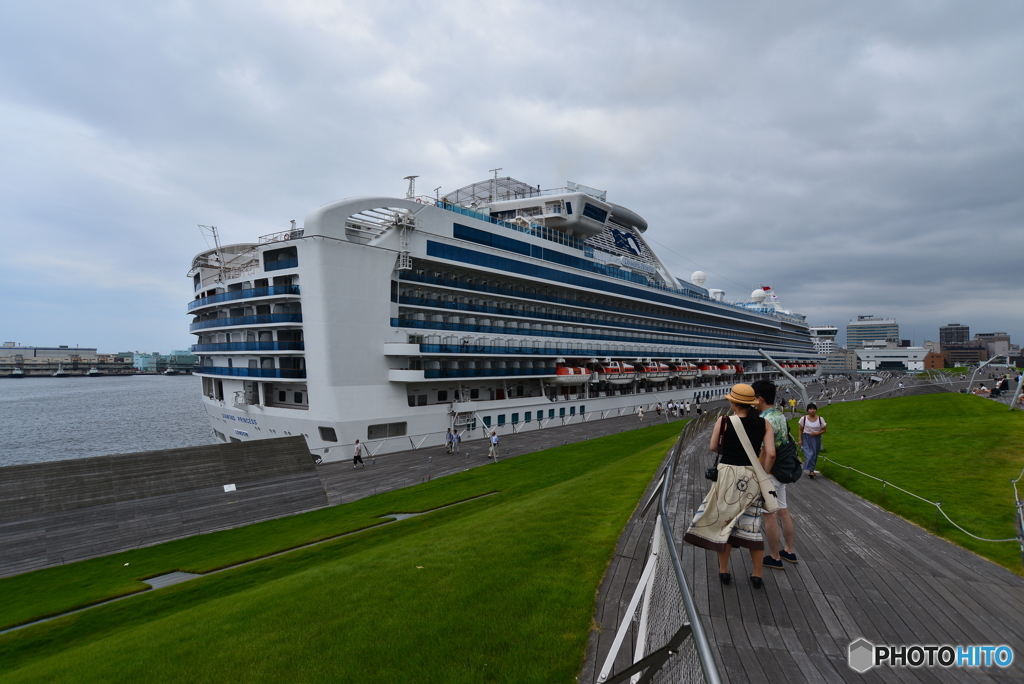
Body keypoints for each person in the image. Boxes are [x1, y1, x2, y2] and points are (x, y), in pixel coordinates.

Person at [684, 383, 776, 589]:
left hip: (726, 475)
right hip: (751, 477)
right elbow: (770, 454)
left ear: (734, 402)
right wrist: (763, 473)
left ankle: (724, 570)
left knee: (724, 522)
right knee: (752, 526)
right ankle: (757, 574)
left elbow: (713, 446)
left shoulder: (724, 421)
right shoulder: (764, 424)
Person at [752, 381, 799, 570]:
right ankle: (788, 550)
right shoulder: (779, 415)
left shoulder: (764, 419)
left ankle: (774, 556)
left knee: (769, 515)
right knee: (783, 510)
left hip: (770, 472)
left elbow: (767, 452)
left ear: (760, 398)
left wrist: (763, 474)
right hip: (782, 469)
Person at [798, 404, 827, 478]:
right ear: (807, 410)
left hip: (816, 438)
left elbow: (824, 430)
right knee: (809, 454)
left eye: (814, 409)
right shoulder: (803, 419)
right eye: (810, 409)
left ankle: (811, 470)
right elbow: (801, 430)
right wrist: (800, 439)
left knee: (814, 454)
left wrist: (817, 433)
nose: (812, 410)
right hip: (806, 437)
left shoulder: (820, 419)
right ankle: (808, 468)